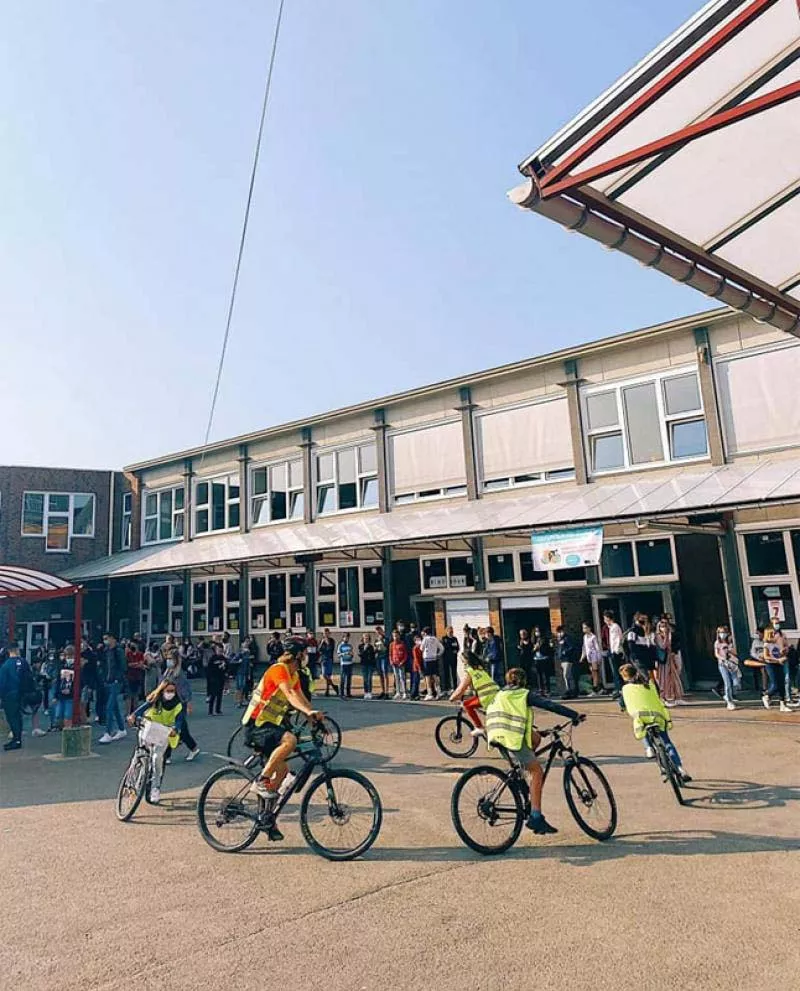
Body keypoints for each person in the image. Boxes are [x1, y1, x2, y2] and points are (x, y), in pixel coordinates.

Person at [241, 637, 323, 841]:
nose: (306, 657)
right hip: (256, 725)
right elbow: (289, 695)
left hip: (270, 725)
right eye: (304, 653)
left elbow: (301, 699)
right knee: (290, 741)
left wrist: (315, 718)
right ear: (297, 654)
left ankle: (266, 817)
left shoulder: (294, 675)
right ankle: (261, 779)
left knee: (284, 773)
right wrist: (308, 711)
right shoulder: (278, 669)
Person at [485, 667, 581, 834]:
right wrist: (574, 714)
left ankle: (522, 774)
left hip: (495, 734)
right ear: (523, 681)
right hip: (511, 736)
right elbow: (549, 705)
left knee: (536, 738)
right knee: (537, 771)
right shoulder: (523, 694)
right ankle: (536, 817)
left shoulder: (501, 694)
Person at [619, 663, 691, 782]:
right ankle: (680, 769)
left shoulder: (625, 689)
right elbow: (657, 696)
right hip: (658, 716)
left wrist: (622, 707)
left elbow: (623, 703)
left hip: (641, 717)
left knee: (641, 727)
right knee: (667, 742)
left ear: (624, 678)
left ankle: (648, 748)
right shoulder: (650, 684)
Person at [127, 681, 182, 804]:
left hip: (163, 733)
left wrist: (175, 729)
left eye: (172, 691)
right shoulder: (155, 699)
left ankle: (155, 788)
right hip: (149, 728)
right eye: (168, 691)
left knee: (157, 759)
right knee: (140, 752)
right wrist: (133, 716)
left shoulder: (178, 705)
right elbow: (143, 708)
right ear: (162, 691)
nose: (170, 693)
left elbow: (179, 721)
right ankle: (131, 776)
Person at [449, 651, 499, 737]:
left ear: (467, 661)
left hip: (486, 696)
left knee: (467, 705)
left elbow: (462, 688)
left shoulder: (470, 671)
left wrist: (453, 697)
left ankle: (479, 727)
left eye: (463, 661)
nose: (463, 663)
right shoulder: (480, 668)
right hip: (495, 693)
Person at [162, 650, 200, 760]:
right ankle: (192, 748)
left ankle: (168, 755)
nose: (168, 661)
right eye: (167, 659)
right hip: (170, 703)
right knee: (179, 729)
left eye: (170, 659)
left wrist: (188, 704)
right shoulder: (168, 672)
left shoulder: (180, 674)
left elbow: (186, 690)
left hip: (179, 704)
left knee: (177, 728)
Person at [0, 645, 37, 750]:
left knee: (12, 717)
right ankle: (17, 738)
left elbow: (2, 682)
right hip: (22, 693)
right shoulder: (24, 662)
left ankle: (16, 739)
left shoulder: (6, 665)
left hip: (10, 694)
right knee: (18, 716)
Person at [98, 633, 128, 744]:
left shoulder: (118, 651)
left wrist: (117, 678)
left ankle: (108, 732)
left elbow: (123, 666)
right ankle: (121, 729)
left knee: (109, 707)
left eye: (107, 638)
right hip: (109, 681)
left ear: (113, 639)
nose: (105, 641)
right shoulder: (106, 651)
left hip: (116, 681)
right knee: (114, 706)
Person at [762, 621, 792, 712]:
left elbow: (780, 652)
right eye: (771, 633)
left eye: (774, 633)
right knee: (775, 684)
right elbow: (766, 656)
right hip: (770, 664)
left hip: (779, 663)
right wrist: (777, 660)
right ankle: (767, 695)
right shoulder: (767, 644)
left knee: (782, 683)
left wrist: (783, 653)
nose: (774, 635)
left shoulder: (778, 642)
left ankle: (783, 704)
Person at [656, 617, 684, 705]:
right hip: (662, 661)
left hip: (669, 658)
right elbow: (663, 646)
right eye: (661, 626)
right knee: (664, 679)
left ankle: (677, 696)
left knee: (674, 676)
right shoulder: (658, 636)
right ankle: (664, 698)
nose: (664, 628)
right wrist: (666, 637)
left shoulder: (670, 634)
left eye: (665, 626)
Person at [624, 613, 656, 686]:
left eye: (645, 620)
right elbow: (631, 646)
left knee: (648, 677)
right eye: (641, 620)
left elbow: (650, 645)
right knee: (645, 677)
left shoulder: (647, 631)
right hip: (637, 658)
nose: (644, 622)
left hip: (646, 658)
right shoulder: (633, 631)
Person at [602, 611, 626, 709]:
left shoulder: (615, 627)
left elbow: (617, 640)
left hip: (615, 652)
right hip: (612, 651)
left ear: (608, 618)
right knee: (614, 672)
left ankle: (620, 689)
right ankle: (618, 689)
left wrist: (615, 651)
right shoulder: (611, 627)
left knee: (617, 671)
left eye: (605, 618)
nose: (604, 620)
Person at [713, 626, 739, 711]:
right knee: (727, 683)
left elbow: (735, 653)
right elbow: (716, 654)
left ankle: (729, 695)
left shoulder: (730, 642)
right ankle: (730, 701)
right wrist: (722, 658)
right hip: (723, 665)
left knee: (736, 683)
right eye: (721, 633)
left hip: (732, 664)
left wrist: (730, 650)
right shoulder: (717, 643)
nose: (722, 634)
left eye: (724, 632)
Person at [553, 626, 578, 699]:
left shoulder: (567, 638)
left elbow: (572, 647)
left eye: (560, 632)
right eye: (558, 633)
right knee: (566, 676)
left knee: (566, 675)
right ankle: (568, 690)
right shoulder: (560, 640)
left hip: (567, 659)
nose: (559, 634)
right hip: (562, 660)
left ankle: (570, 691)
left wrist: (565, 652)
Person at [420, 627, 444, 700]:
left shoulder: (425, 639)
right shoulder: (435, 639)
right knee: (435, 676)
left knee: (427, 677)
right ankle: (439, 692)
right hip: (434, 658)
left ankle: (430, 693)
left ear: (425, 632)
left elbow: (421, 648)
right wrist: (438, 654)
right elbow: (442, 648)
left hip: (427, 659)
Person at [580, 622, 603, 694]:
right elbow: (584, 647)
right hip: (588, 657)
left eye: (585, 627)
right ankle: (598, 687)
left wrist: (599, 658)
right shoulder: (584, 637)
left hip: (594, 656)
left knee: (595, 671)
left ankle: (596, 688)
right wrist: (582, 656)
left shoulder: (593, 637)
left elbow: (597, 648)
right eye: (583, 628)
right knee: (592, 672)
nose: (584, 629)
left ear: (589, 628)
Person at [125, 639, 146, 715]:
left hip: (137, 677)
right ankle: (127, 714)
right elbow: (128, 664)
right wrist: (137, 664)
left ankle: (135, 714)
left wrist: (134, 664)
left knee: (136, 696)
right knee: (128, 696)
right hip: (129, 677)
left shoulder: (140, 654)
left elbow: (141, 664)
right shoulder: (128, 654)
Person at [206, 642, 227, 715]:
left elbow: (227, 667)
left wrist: (225, 671)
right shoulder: (213, 658)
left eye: (221, 651)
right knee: (213, 695)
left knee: (219, 695)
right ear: (215, 650)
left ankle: (218, 710)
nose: (220, 652)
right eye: (218, 650)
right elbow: (209, 669)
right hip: (213, 679)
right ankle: (210, 711)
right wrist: (210, 678)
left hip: (221, 678)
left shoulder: (224, 658)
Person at [531, 627, 552, 696]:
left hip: (544, 658)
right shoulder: (534, 640)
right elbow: (531, 650)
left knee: (545, 675)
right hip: (536, 659)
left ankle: (547, 690)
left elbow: (548, 649)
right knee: (538, 675)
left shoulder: (545, 639)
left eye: (538, 631)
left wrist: (539, 648)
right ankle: (541, 690)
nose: (537, 633)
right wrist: (534, 649)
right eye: (536, 631)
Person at [389, 630, 408, 699]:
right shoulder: (391, 644)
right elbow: (390, 654)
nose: (395, 637)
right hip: (394, 663)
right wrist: (391, 661)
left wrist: (402, 661)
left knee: (402, 678)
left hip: (401, 663)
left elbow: (405, 654)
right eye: (394, 636)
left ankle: (404, 692)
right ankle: (398, 692)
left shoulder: (402, 643)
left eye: (396, 636)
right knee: (396, 678)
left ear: (399, 636)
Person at [319, 629, 338, 697]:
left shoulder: (332, 640)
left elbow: (331, 649)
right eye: (324, 633)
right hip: (323, 659)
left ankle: (327, 690)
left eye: (327, 633)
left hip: (329, 659)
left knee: (328, 675)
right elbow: (319, 650)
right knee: (324, 674)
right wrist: (322, 643)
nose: (326, 635)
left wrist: (327, 643)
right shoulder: (321, 641)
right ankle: (334, 686)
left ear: (329, 634)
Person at [440, 627, 459, 693]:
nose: (451, 633)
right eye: (450, 632)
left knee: (454, 673)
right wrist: (451, 647)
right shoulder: (444, 638)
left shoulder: (454, 638)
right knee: (446, 673)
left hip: (453, 658)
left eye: (452, 632)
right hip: (446, 658)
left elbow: (457, 647)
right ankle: (447, 688)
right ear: (446, 631)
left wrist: (455, 650)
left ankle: (455, 687)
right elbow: (444, 647)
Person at [358, 633, 376, 699]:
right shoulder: (360, 646)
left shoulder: (371, 646)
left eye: (367, 638)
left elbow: (373, 656)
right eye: (365, 638)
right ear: (363, 639)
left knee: (369, 678)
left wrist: (374, 666)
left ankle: (369, 692)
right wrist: (365, 649)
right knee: (365, 679)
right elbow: (360, 654)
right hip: (364, 664)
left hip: (370, 664)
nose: (366, 639)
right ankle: (365, 692)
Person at [337, 632, 355, 698]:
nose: (346, 638)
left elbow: (352, 654)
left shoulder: (350, 645)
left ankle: (348, 693)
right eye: (345, 637)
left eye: (348, 637)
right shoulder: (340, 645)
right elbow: (338, 655)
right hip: (344, 664)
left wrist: (351, 654)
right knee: (343, 678)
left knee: (349, 679)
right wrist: (344, 654)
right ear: (343, 638)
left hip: (350, 663)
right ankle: (341, 693)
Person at [374, 627, 390, 699]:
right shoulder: (376, 639)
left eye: (379, 631)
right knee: (380, 674)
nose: (378, 633)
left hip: (385, 657)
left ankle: (386, 692)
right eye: (377, 632)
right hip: (378, 658)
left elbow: (387, 648)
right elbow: (375, 648)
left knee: (385, 674)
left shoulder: (386, 639)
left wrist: (382, 641)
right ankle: (383, 691)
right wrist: (375, 649)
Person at [410, 635, 424, 700]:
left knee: (417, 681)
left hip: (421, 665)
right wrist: (419, 668)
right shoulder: (415, 648)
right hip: (416, 666)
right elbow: (416, 659)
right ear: (415, 641)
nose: (418, 641)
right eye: (417, 640)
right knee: (416, 681)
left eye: (419, 639)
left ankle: (416, 694)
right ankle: (413, 694)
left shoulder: (421, 647)